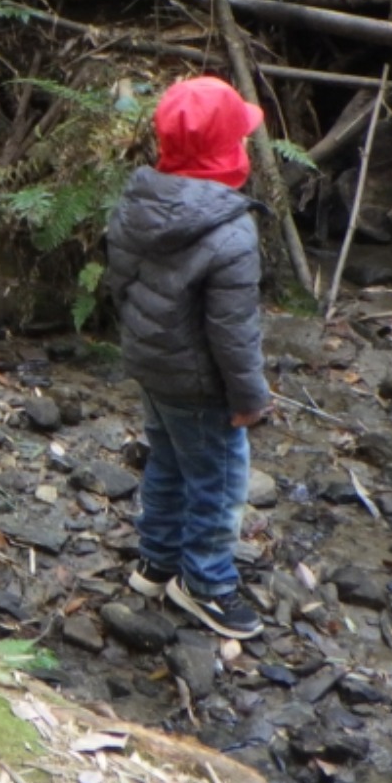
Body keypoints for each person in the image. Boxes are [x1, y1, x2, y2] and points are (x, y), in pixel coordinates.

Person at [104, 76, 273, 641]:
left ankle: (157, 562)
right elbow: (234, 333)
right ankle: (204, 583)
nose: (247, 144)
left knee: (169, 461)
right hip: (201, 385)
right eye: (241, 138)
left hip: (151, 364)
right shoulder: (232, 232)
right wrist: (249, 398)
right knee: (220, 480)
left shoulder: (139, 198)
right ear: (228, 154)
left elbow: (119, 283)